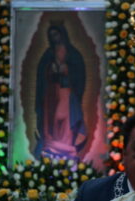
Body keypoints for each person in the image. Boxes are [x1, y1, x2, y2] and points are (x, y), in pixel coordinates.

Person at [34, 24, 87, 160]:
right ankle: (51, 151)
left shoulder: (72, 53)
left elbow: (79, 74)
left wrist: (67, 69)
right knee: (51, 121)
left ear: (62, 34)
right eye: (52, 36)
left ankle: (66, 150)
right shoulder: (48, 54)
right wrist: (50, 69)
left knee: (64, 120)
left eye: (56, 34)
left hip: (66, 93)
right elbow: (41, 74)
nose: (55, 38)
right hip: (51, 93)